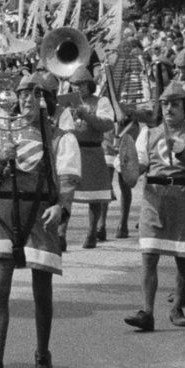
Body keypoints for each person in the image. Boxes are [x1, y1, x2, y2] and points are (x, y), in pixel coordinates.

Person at [0, 73, 80, 368]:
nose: (27, 99)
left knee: (41, 292)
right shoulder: (2, 134)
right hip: (7, 214)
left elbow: (68, 181)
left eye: (34, 93)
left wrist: (62, 208)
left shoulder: (60, 136)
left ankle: (43, 353)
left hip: (41, 216)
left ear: (46, 99)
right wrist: (2, 161)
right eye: (23, 93)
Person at [125, 80, 185, 333]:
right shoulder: (149, 133)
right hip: (154, 198)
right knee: (149, 256)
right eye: (164, 104)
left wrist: (184, 152)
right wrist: (129, 164)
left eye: (174, 104)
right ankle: (147, 311)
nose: (169, 109)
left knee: (182, 256)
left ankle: (177, 306)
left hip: (184, 197)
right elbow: (140, 165)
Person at [60, 66, 119, 248]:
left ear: (90, 84)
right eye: (75, 84)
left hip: (93, 151)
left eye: (82, 84)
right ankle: (61, 233)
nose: (79, 88)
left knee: (95, 197)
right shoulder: (65, 103)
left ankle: (92, 232)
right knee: (65, 194)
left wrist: (87, 115)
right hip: (72, 152)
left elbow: (107, 124)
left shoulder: (101, 102)